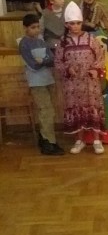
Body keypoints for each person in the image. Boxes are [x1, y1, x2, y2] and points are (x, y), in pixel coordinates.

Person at [54, 2, 107, 156]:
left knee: (93, 107)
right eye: (72, 23)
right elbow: (58, 62)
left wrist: (95, 69)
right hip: (72, 84)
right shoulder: (63, 42)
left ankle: (96, 140)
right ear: (67, 24)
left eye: (78, 23)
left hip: (90, 82)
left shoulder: (90, 38)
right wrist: (67, 69)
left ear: (81, 23)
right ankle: (79, 140)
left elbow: (100, 57)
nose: (75, 26)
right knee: (76, 108)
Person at [18, 14, 63, 155]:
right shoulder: (24, 44)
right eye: (33, 27)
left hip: (48, 79)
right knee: (45, 111)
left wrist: (42, 60)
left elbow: (52, 59)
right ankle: (49, 142)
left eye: (38, 27)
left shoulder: (41, 41)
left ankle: (47, 138)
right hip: (36, 82)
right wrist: (44, 60)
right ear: (25, 28)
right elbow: (33, 65)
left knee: (50, 111)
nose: (36, 30)